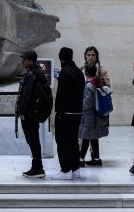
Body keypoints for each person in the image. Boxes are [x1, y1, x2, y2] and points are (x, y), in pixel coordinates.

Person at [53, 47, 85, 180]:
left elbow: (62, 95)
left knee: (62, 141)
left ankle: (65, 169)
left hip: (65, 114)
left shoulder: (64, 73)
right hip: (78, 112)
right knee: (73, 141)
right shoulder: (78, 72)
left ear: (60, 58)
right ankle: (75, 168)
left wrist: (59, 112)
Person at [15, 50, 46, 178]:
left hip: (29, 115)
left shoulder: (31, 75)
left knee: (33, 141)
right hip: (33, 114)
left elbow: (26, 97)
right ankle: (36, 166)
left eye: (25, 59)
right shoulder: (36, 73)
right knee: (34, 141)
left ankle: (38, 168)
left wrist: (22, 113)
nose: (22, 61)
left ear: (31, 61)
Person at [79, 46, 111, 166]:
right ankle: (95, 158)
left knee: (89, 133)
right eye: (88, 55)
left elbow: (108, 88)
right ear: (85, 56)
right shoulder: (82, 70)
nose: (90, 57)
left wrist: (98, 84)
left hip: (97, 107)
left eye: (93, 55)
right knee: (89, 133)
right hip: (86, 106)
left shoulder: (101, 71)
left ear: (96, 56)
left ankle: (83, 158)